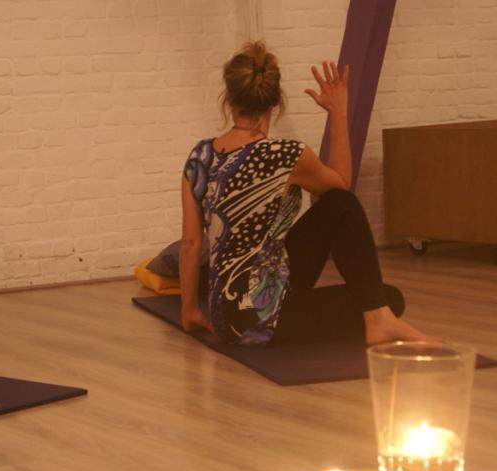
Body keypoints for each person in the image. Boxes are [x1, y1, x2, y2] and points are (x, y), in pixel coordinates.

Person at [179, 42, 437, 347]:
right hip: (261, 320)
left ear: (228, 98)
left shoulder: (201, 156)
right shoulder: (285, 154)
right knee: (385, 293)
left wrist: (190, 311)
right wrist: (338, 113)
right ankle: (378, 320)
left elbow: (191, 244)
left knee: (375, 293)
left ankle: (375, 316)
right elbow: (341, 185)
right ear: (276, 102)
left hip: (225, 315)